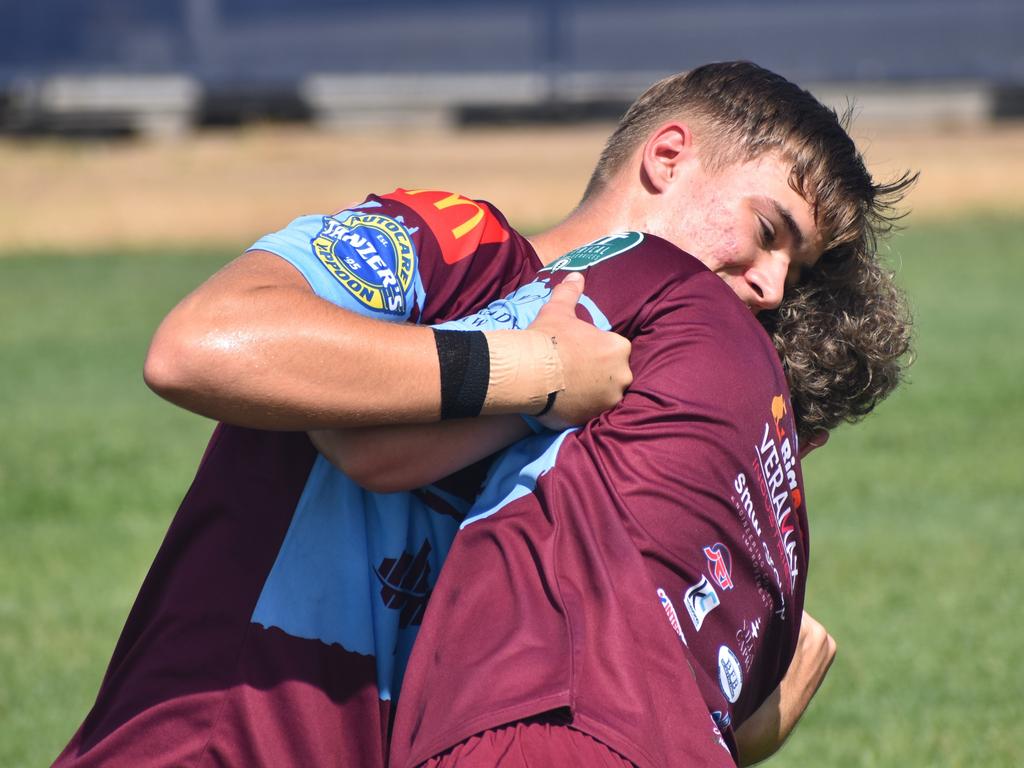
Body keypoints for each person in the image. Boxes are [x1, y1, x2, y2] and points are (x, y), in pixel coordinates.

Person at [53, 62, 912, 767]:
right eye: (768, 230)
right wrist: (535, 369)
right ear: (668, 156)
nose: (769, 285)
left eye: (792, 274)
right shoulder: (460, 247)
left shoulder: (635, 401)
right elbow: (201, 343)